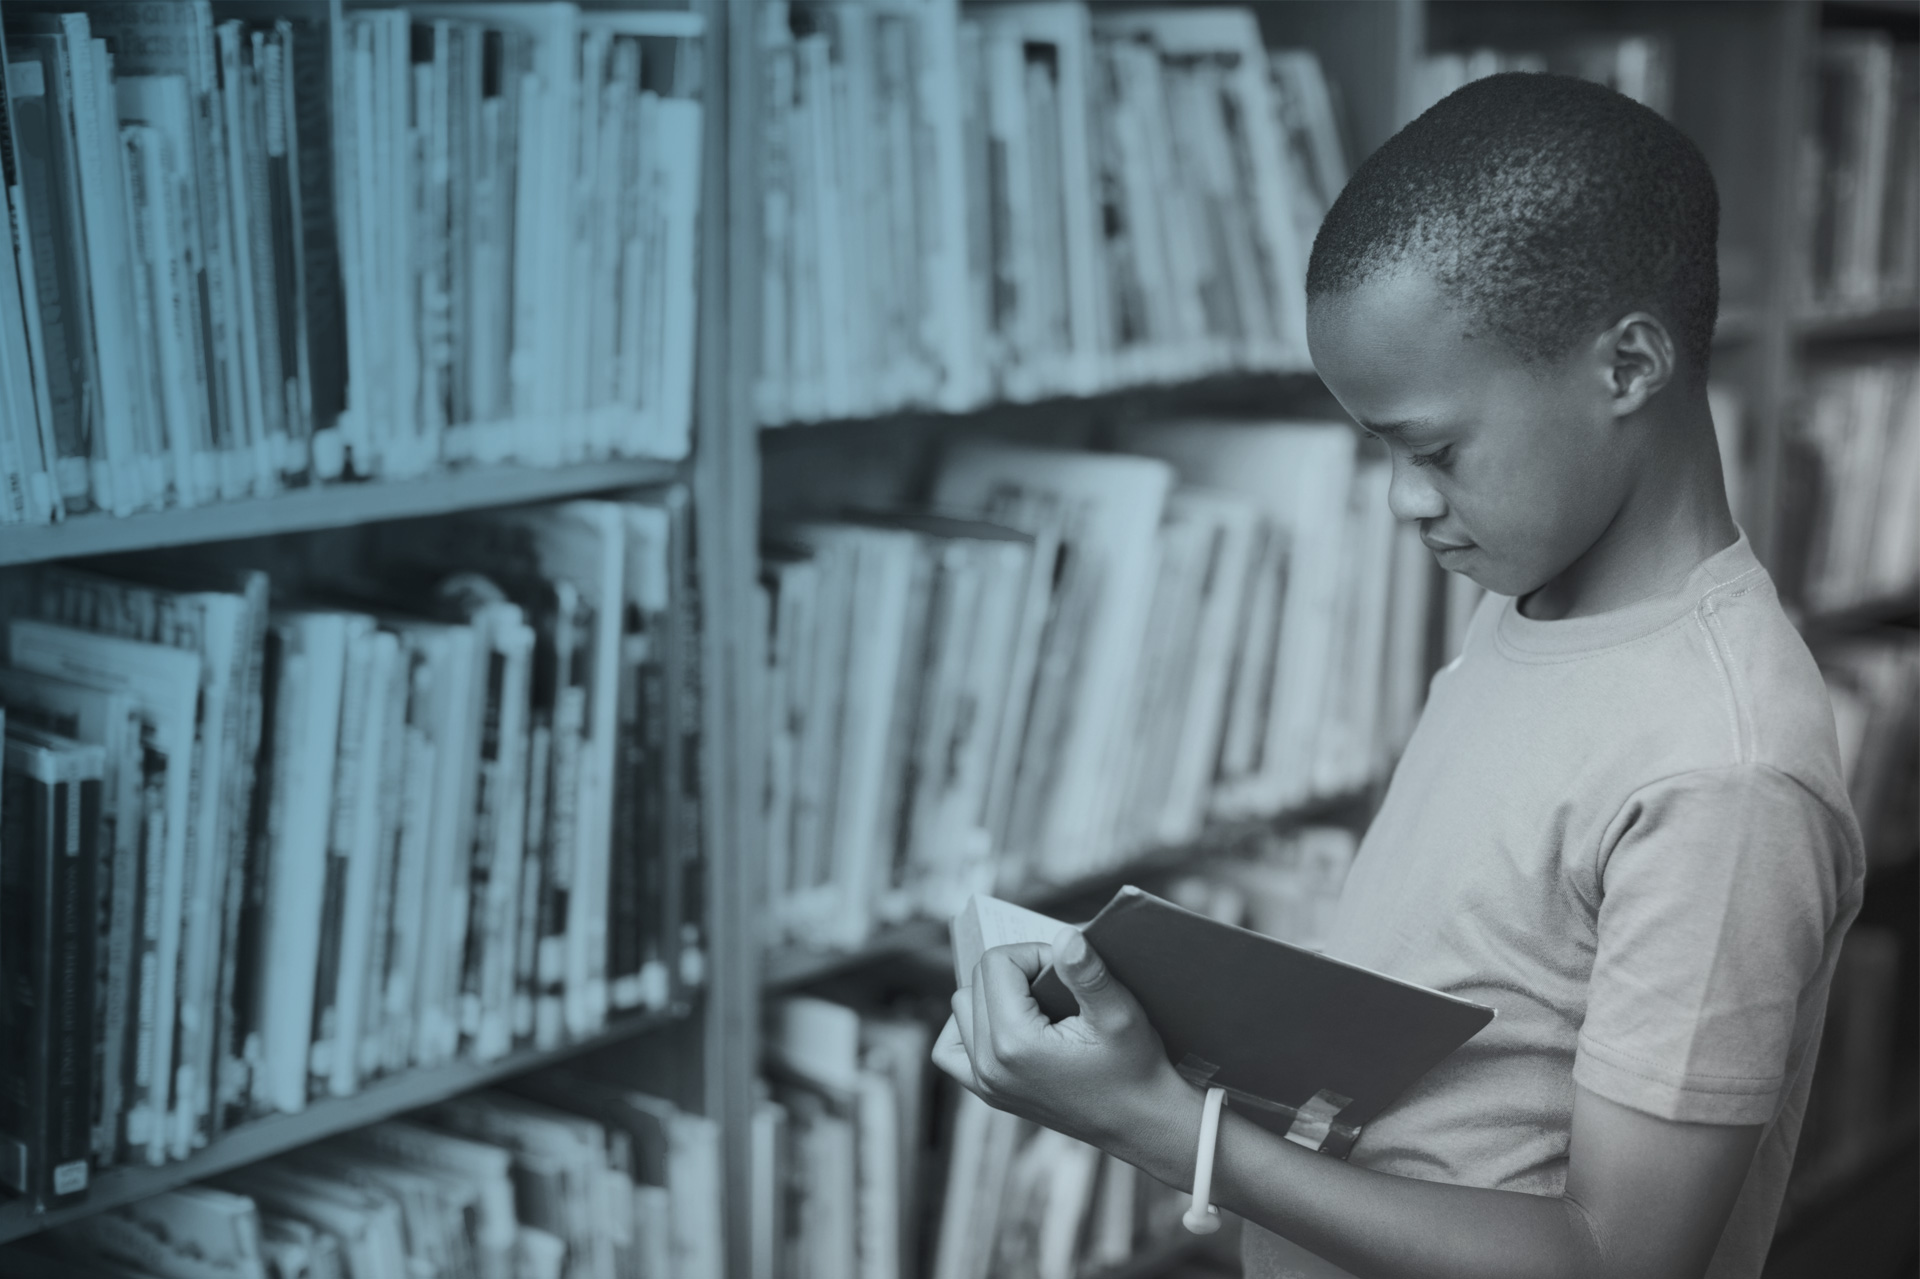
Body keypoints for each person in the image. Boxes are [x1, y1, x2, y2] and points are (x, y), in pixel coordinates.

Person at [932, 72, 1863, 1279]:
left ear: (1627, 366)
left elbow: (1616, 1261)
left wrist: (1165, 1127)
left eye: (1434, 447)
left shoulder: (1724, 769)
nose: (1401, 499)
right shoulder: (1526, 601)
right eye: (1378, 446)